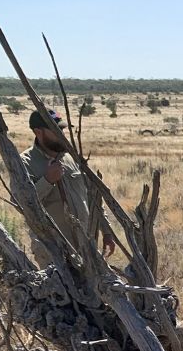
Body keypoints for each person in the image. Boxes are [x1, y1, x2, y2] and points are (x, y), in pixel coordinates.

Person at [20, 109, 114, 264]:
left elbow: (91, 198)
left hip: (85, 245)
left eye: (62, 129)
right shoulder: (24, 163)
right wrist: (48, 180)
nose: (62, 134)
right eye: (56, 130)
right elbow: (22, 203)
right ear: (38, 132)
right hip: (53, 250)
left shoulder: (70, 158)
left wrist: (107, 231)